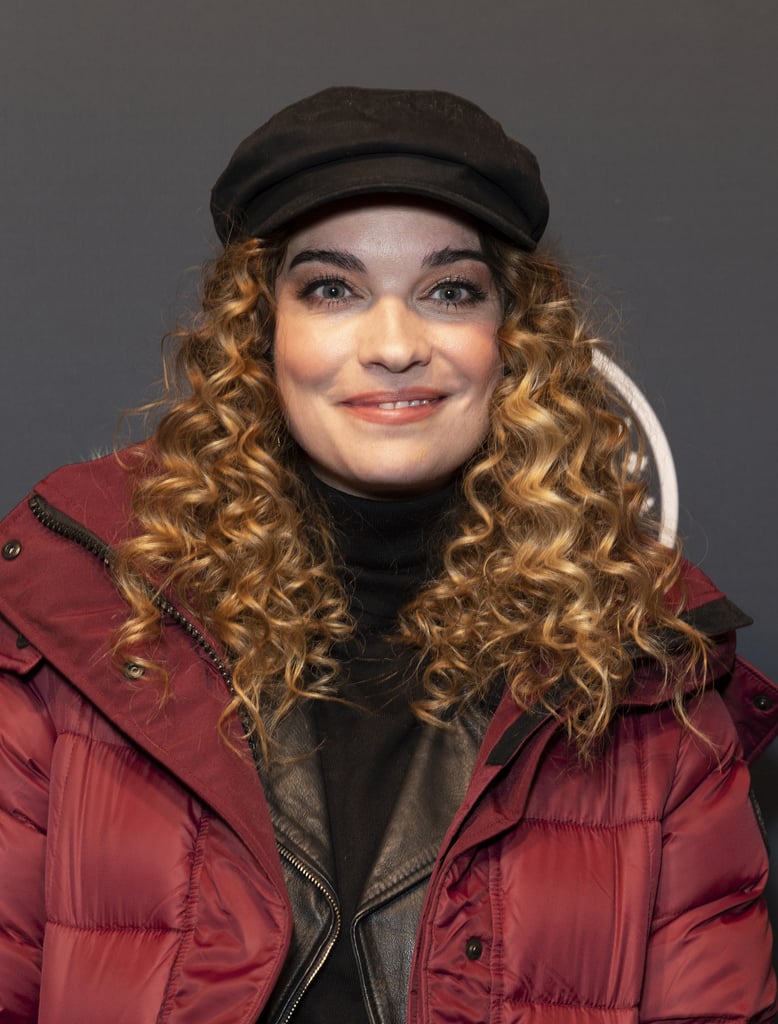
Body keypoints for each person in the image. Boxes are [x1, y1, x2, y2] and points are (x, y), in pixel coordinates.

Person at [0, 86, 776, 1024]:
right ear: (260, 333)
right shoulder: (81, 617)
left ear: (511, 339)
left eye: (450, 290)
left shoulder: (649, 676)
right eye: (333, 287)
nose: (396, 344)